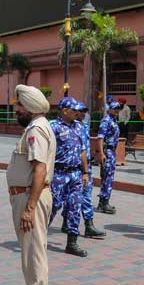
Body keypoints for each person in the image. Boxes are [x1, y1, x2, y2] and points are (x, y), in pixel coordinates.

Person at [6, 85, 55, 285]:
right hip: (28, 195)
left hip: (29, 196)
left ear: (30, 108)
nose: (17, 110)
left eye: (19, 106)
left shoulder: (36, 129)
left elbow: (39, 169)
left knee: (32, 251)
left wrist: (29, 207)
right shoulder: (38, 127)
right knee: (36, 248)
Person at [49, 97, 89, 257]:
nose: (78, 113)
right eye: (75, 110)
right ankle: (37, 236)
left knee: (75, 207)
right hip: (58, 174)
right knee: (52, 207)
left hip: (75, 174)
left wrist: (85, 172)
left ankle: (72, 242)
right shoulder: (53, 127)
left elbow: (83, 150)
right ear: (65, 110)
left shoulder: (79, 127)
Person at [71, 101, 106, 239]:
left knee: (85, 196)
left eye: (85, 111)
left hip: (85, 167)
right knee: (65, 199)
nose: (83, 113)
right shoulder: (70, 127)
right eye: (81, 111)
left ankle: (88, 225)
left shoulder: (83, 126)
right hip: (75, 168)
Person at [96, 101, 122, 214]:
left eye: (118, 108)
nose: (117, 110)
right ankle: (103, 203)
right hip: (107, 151)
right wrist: (101, 153)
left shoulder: (114, 120)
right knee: (107, 177)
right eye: (115, 108)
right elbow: (100, 138)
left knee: (108, 177)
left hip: (112, 151)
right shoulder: (106, 121)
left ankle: (104, 201)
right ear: (109, 109)